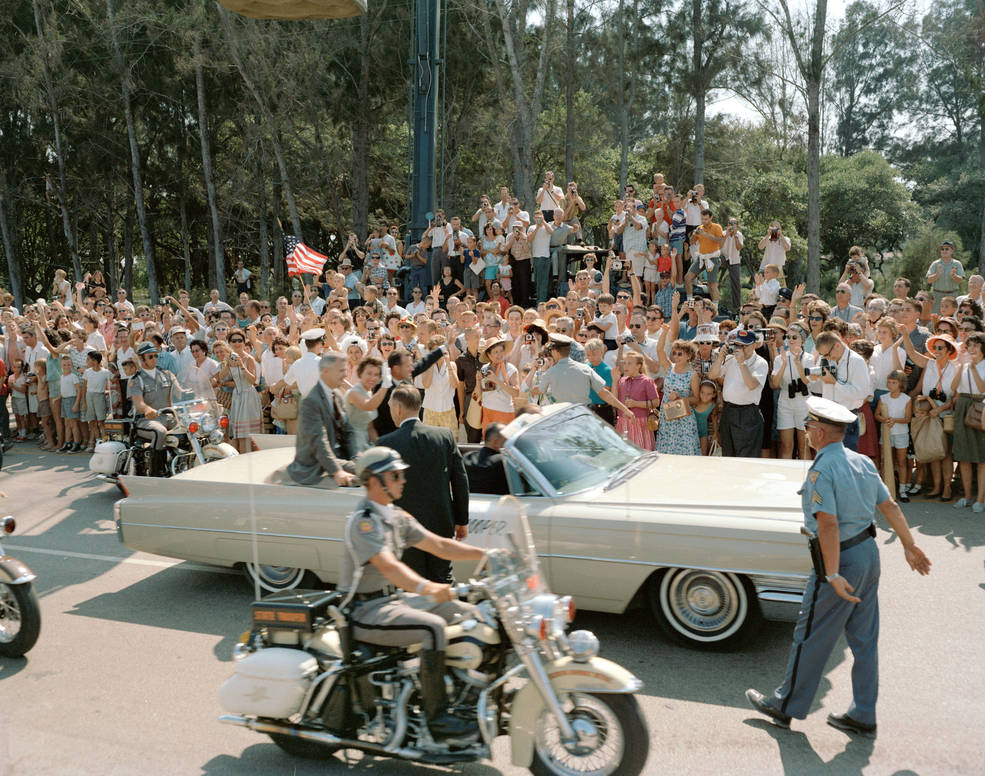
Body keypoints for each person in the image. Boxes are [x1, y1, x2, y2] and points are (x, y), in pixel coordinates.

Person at [746, 397, 931, 737]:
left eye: (808, 428)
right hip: (867, 553)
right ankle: (863, 712)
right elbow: (888, 505)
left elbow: (828, 525)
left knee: (810, 635)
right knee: (864, 639)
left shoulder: (821, 469)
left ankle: (785, 704)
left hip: (840, 558)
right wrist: (909, 543)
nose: (806, 433)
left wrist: (831, 574)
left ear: (817, 433)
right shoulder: (861, 461)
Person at [339, 446, 483, 740]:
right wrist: (428, 588)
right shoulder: (364, 521)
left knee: (472, 615)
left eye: (402, 474)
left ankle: (466, 696)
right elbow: (389, 566)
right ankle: (438, 719)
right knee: (433, 629)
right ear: (375, 480)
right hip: (364, 610)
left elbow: (440, 545)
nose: (403, 480)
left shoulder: (395, 516)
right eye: (396, 475)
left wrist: (488, 554)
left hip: (392, 601)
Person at [377, 384, 470, 583]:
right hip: (441, 522)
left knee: (412, 584)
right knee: (442, 580)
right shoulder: (444, 436)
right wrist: (462, 520)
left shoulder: (385, 443)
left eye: (391, 407)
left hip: (403, 528)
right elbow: (460, 480)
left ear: (398, 408)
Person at [285, 352, 356, 488]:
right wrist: (337, 471)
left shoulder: (337, 395)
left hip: (337, 458)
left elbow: (348, 430)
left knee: (370, 465)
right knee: (368, 472)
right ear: (325, 371)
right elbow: (318, 440)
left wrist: (356, 456)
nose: (345, 375)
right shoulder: (310, 401)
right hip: (315, 466)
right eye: (341, 371)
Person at [533, 334, 631, 417]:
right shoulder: (585, 369)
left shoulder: (551, 372)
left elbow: (540, 390)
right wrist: (625, 409)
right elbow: (604, 393)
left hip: (563, 417)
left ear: (555, 351)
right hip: (583, 416)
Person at [128, 341, 186, 476]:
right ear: (141, 359)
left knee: (191, 427)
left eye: (156, 356)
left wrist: (196, 397)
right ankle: (156, 472)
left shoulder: (167, 374)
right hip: (146, 420)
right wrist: (147, 410)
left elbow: (181, 393)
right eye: (150, 356)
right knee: (159, 432)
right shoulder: (136, 380)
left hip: (169, 417)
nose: (155, 359)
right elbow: (139, 404)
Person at [709, 329, 768, 457]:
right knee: (728, 453)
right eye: (738, 345)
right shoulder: (730, 359)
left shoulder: (760, 363)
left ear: (754, 345)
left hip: (747, 413)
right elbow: (712, 375)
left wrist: (742, 363)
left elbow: (751, 385)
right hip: (728, 411)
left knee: (746, 456)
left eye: (744, 346)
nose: (740, 349)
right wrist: (720, 358)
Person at [462, 422, 509, 495]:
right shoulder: (503, 462)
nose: (508, 444)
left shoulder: (467, 457)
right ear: (496, 441)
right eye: (506, 440)